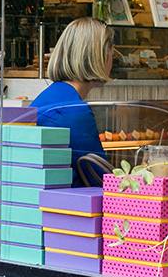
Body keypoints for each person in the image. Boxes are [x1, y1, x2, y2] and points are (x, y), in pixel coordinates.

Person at [30, 17, 118, 187]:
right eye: (111, 55)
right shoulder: (74, 112)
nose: (111, 63)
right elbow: (101, 179)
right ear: (98, 58)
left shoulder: (52, 97)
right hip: (70, 209)